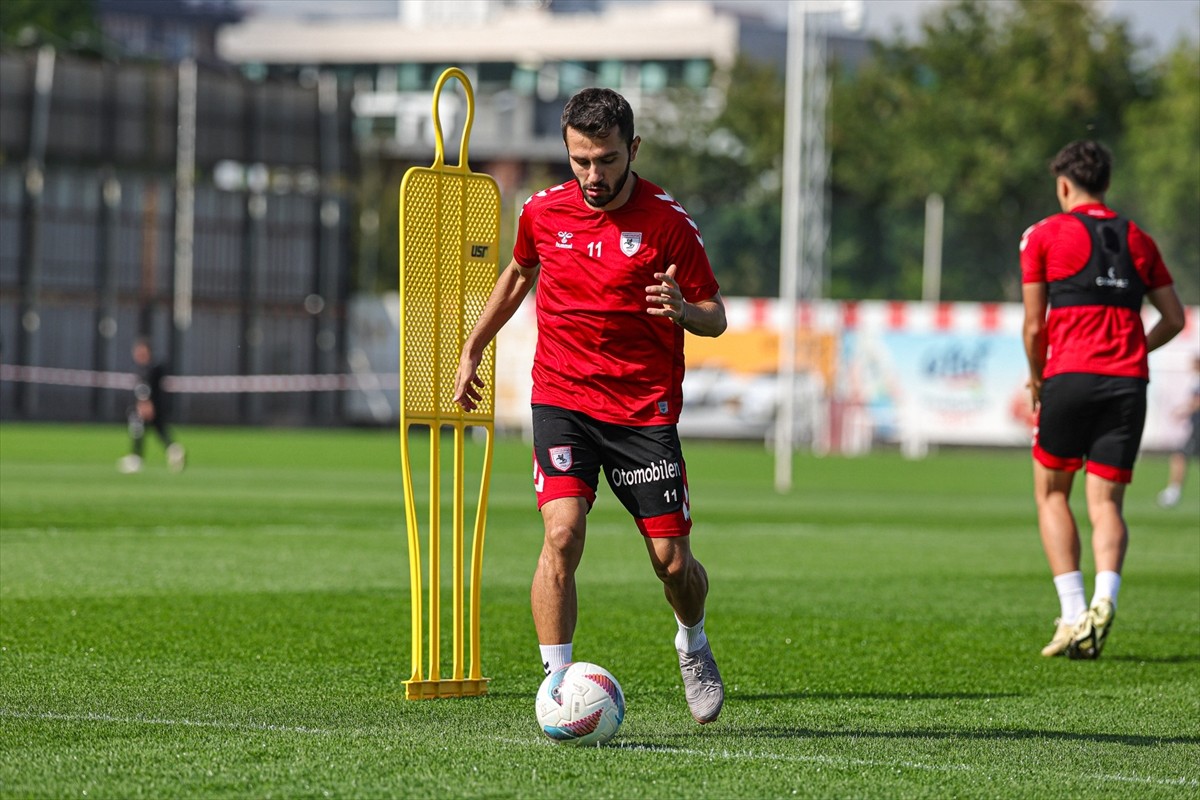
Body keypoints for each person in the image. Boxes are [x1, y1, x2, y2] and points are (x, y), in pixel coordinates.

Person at [453, 88, 728, 723]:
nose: (592, 175)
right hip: (563, 398)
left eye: (605, 159)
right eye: (580, 159)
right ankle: (557, 685)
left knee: (672, 563)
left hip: (642, 411)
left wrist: (686, 312)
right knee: (562, 534)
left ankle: (693, 640)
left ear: (632, 150)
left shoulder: (668, 224)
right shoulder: (543, 212)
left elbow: (716, 315)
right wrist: (473, 346)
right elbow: (519, 275)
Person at [1021, 140, 1185, 659]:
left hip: (1068, 376)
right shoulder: (1138, 238)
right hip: (1128, 384)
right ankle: (1104, 598)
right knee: (1107, 503)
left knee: (1051, 493)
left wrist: (1036, 377)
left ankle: (1072, 614)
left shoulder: (1043, 234)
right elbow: (1176, 318)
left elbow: (1032, 326)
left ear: (1064, 185)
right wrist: (1137, 348)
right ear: (1107, 184)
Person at [118, 337, 186, 474]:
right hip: (157, 406)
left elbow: (145, 388)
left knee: (138, 429)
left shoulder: (148, 369)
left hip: (150, 407)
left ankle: (136, 458)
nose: (137, 354)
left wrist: (145, 404)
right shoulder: (151, 367)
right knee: (159, 430)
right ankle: (174, 450)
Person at [1157, 354, 1200, 509]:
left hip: (1198, 428)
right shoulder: (1195, 380)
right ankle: (1173, 491)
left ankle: (1173, 492)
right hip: (1195, 427)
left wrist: (1183, 411)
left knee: (1180, 457)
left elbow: (1197, 402)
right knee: (1180, 457)